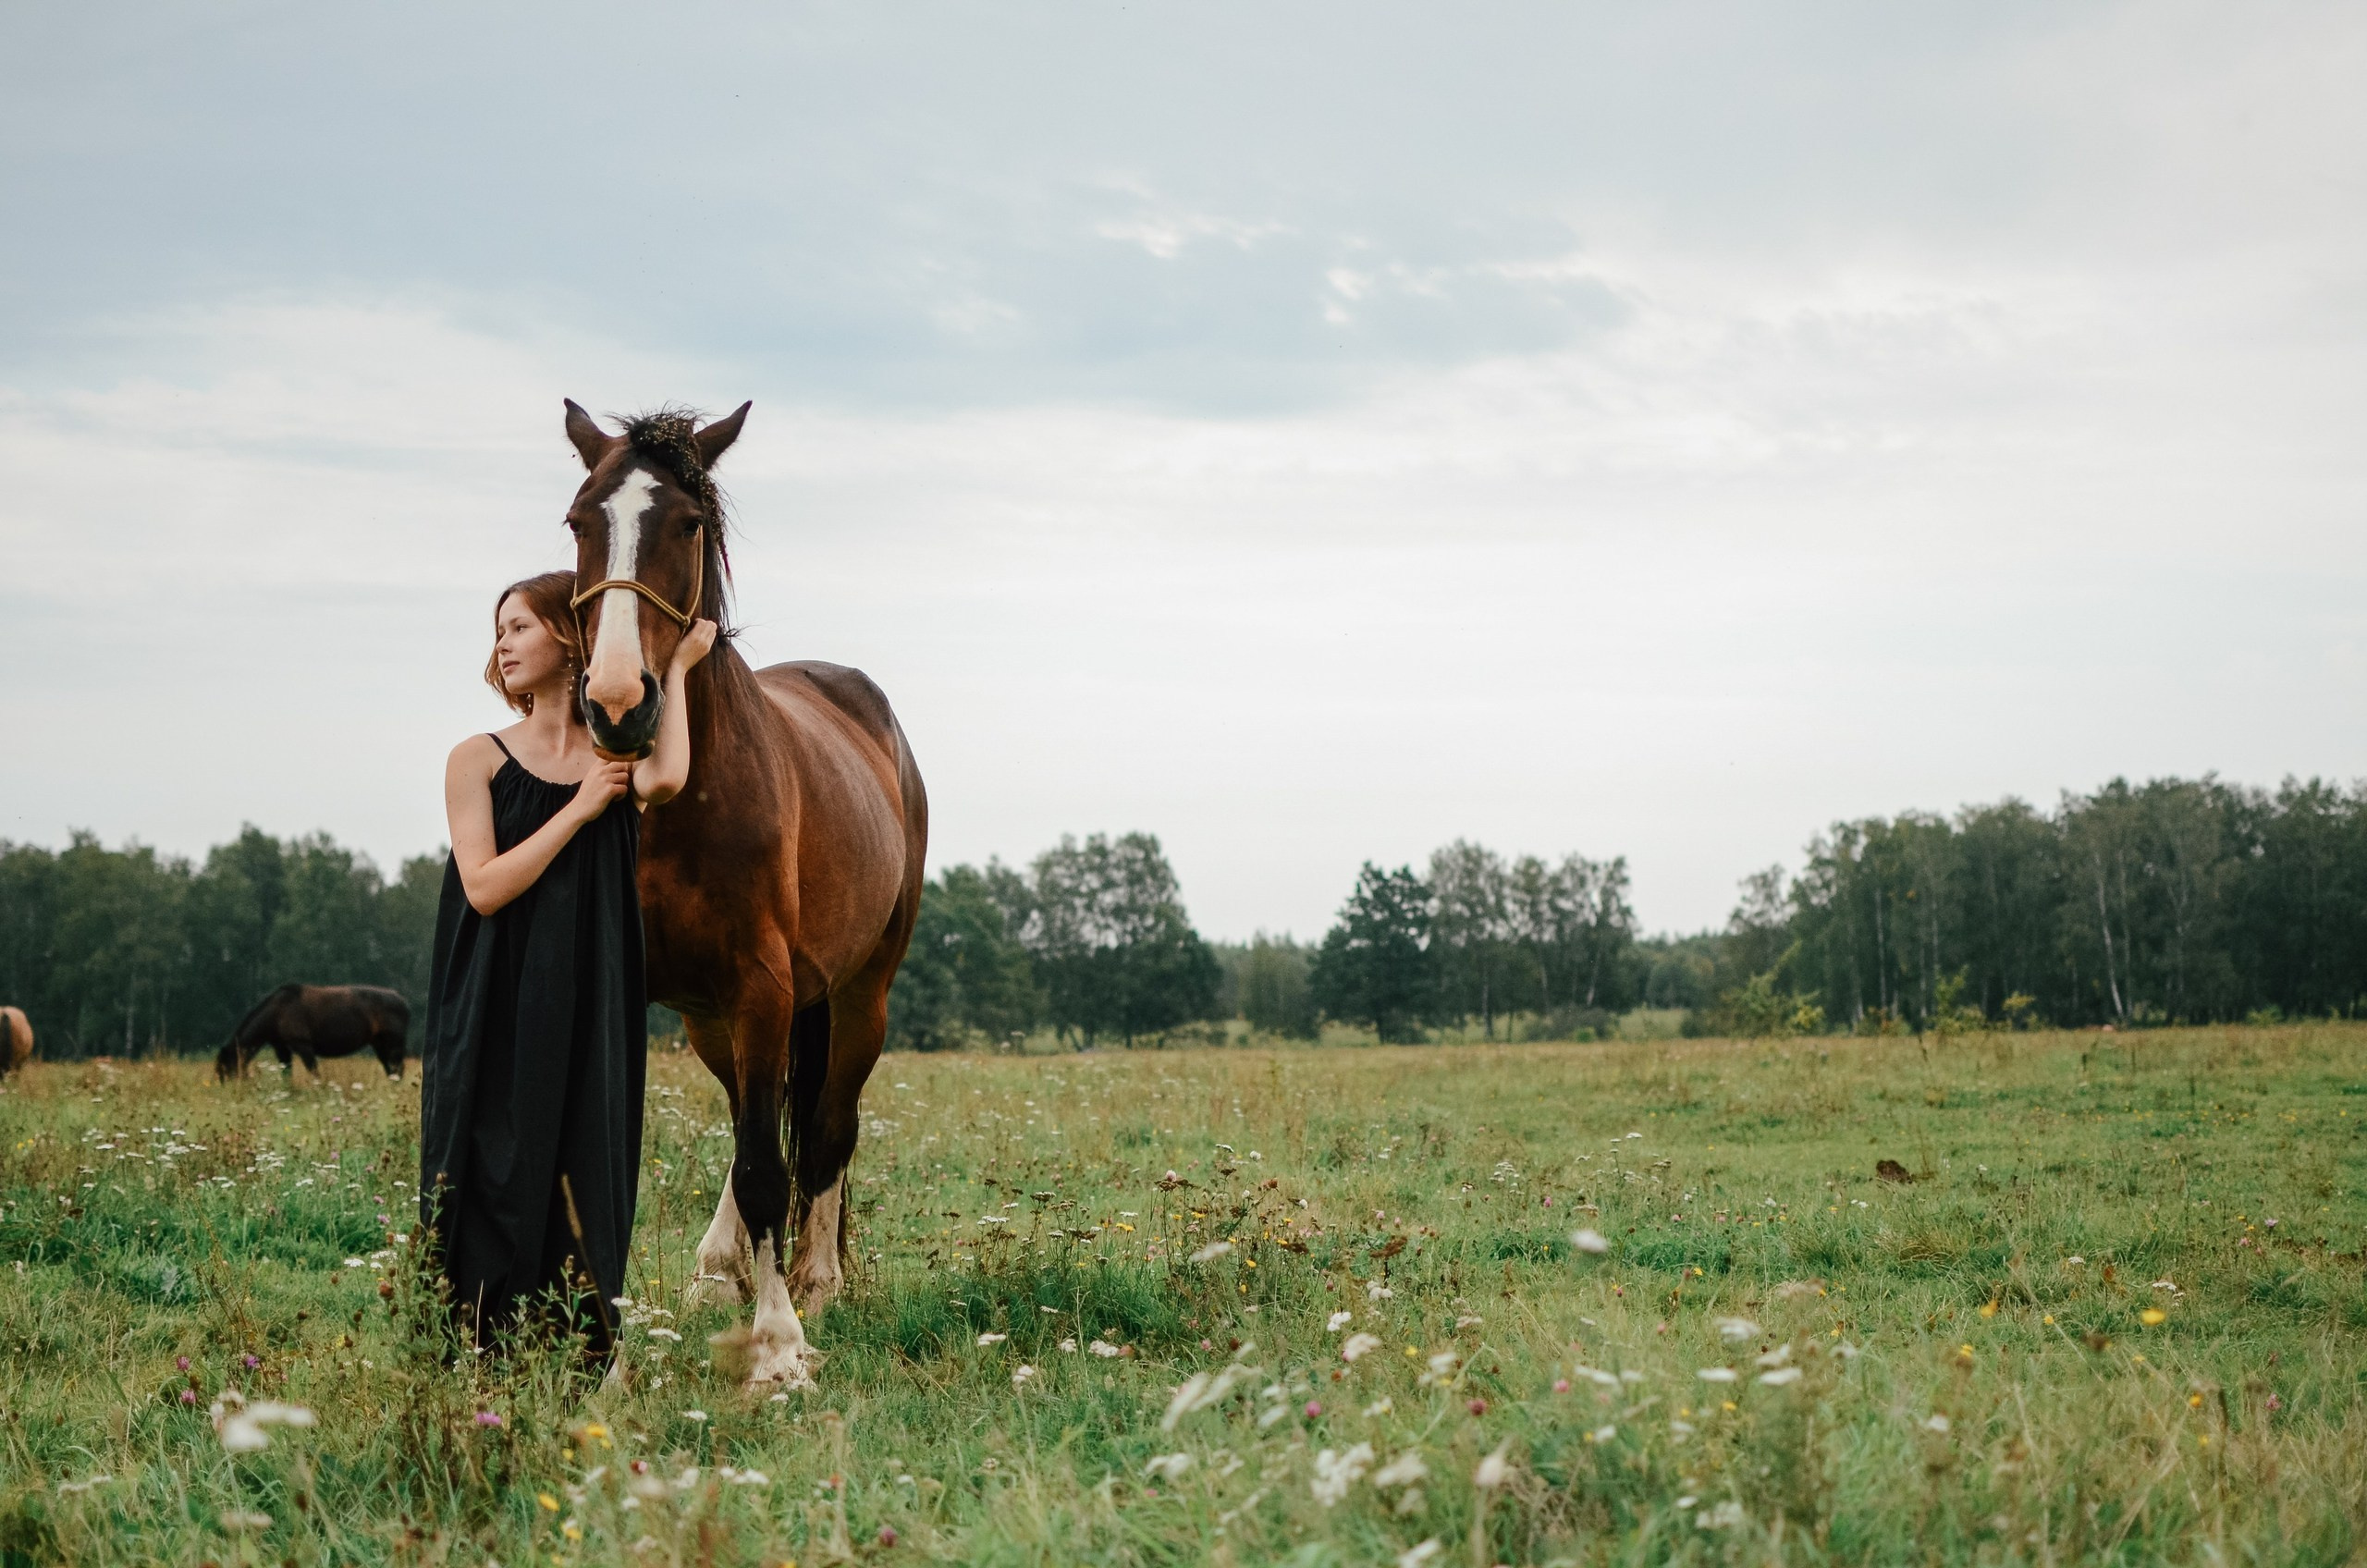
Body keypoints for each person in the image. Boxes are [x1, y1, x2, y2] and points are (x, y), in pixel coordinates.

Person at [418, 570, 715, 1357]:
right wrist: (582, 809)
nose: (503, 644)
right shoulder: (474, 759)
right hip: (491, 994)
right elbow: (483, 889)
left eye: (519, 627)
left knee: (583, 1153)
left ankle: (572, 1353)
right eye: (500, 630)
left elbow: (669, 777)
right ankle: (472, 1350)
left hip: (589, 993)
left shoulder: (620, 755)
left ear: (570, 635)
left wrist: (676, 670)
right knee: (485, 1154)